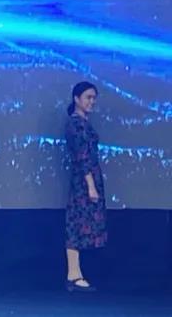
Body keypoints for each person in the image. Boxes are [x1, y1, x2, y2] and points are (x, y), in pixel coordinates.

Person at [64, 82, 107, 292]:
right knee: (76, 223)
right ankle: (73, 274)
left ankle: (75, 273)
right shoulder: (76, 124)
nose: (92, 102)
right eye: (88, 97)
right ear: (76, 98)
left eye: (94, 98)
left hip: (87, 178)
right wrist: (90, 185)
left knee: (79, 224)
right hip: (83, 181)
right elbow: (82, 156)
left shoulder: (82, 122)